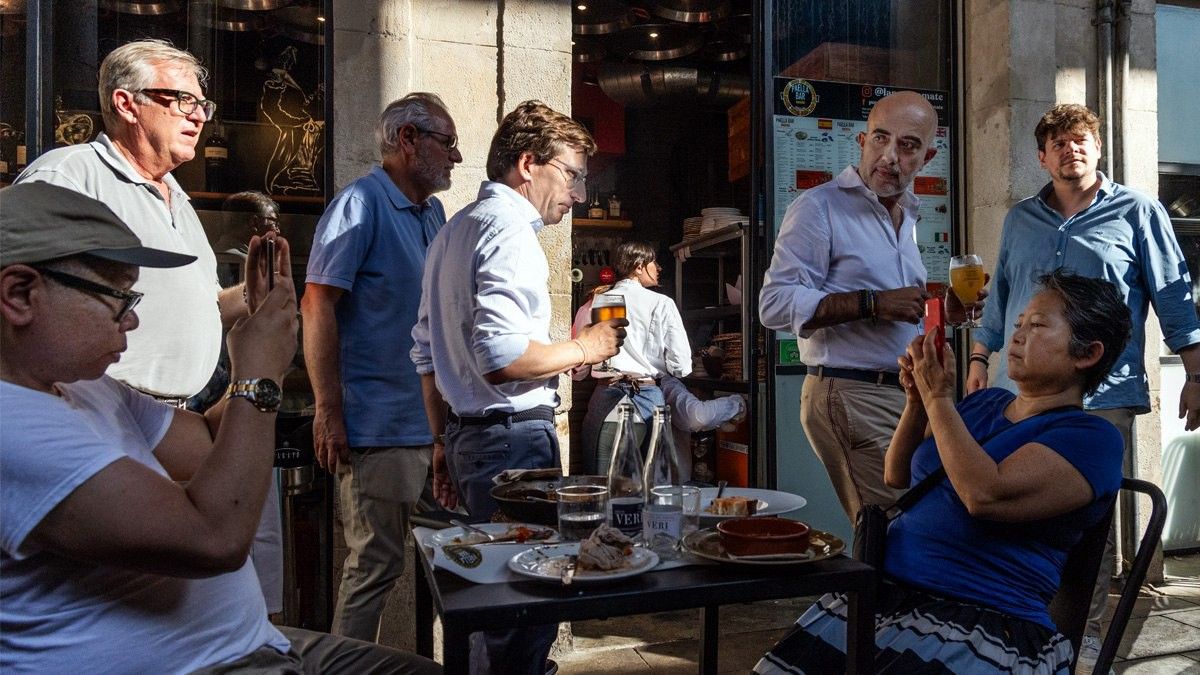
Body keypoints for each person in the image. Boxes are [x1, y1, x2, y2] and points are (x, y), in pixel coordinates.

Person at [0, 182, 438, 675]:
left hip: (255, 644)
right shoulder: (12, 426)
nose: (133, 319)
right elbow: (216, 539)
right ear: (20, 294)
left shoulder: (86, 388)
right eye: (117, 297)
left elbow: (210, 443)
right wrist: (257, 374)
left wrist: (258, 333)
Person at [756, 270, 1132, 674]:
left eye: (1038, 325)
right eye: (1019, 322)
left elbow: (983, 494)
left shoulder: (1091, 437)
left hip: (984, 623)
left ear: (1087, 354)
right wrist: (917, 401)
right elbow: (897, 474)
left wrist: (938, 396)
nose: (1017, 335)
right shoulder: (985, 403)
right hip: (885, 598)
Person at [967, 103, 1200, 669]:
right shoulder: (1021, 218)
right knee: (1020, 507)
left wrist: (1196, 370)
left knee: (1087, 526)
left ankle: (1081, 636)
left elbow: (1172, 290)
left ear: (1097, 150)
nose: (1072, 150)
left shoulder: (1138, 210)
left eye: (1082, 141)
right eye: (1059, 143)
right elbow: (1001, 291)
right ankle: (1019, 620)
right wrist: (980, 356)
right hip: (1024, 394)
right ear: (1042, 157)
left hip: (1103, 394)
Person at [411, 99, 625, 675]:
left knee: (493, 601)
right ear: (529, 163)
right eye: (572, 175)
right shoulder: (509, 231)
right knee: (524, 609)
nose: (578, 195)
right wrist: (587, 349)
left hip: (468, 439)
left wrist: (441, 442)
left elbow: (426, 354)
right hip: (510, 444)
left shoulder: (453, 230)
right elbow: (503, 358)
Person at [302, 93, 462, 643]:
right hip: (379, 427)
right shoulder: (360, 204)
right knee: (375, 568)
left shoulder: (433, 213)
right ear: (407, 139)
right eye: (447, 142)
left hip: (431, 429)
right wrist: (328, 411)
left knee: (463, 556)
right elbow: (317, 303)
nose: (456, 158)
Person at [15, 38, 247, 403]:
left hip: (176, 415)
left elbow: (202, 306)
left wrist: (256, 295)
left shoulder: (178, 198)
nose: (200, 116)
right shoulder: (70, 176)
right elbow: (19, 300)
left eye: (203, 104)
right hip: (96, 410)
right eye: (184, 100)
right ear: (126, 104)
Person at [758, 90, 941, 523]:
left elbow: (899, 310)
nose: (890, 156)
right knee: (895, 526)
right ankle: (864, 593)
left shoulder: (908, 214)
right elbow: (773, 304)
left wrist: (940, 310)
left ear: (927, 157)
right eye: (881, 138)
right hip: (849, 392)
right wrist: (873, 303)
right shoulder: (818, 207)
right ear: (862, 141)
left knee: (917, 522)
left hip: (904, 394)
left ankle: (869, 592)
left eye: (908, 145)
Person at [573, 241, 692, 475]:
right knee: (648, 488)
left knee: (602, 488)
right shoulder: (662, 303)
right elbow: (682, 366)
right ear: (639, 266)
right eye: (653, 262)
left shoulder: (593, 303)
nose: (658, 268)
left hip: (606, 401)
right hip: (649, 404)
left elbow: (579, 371)